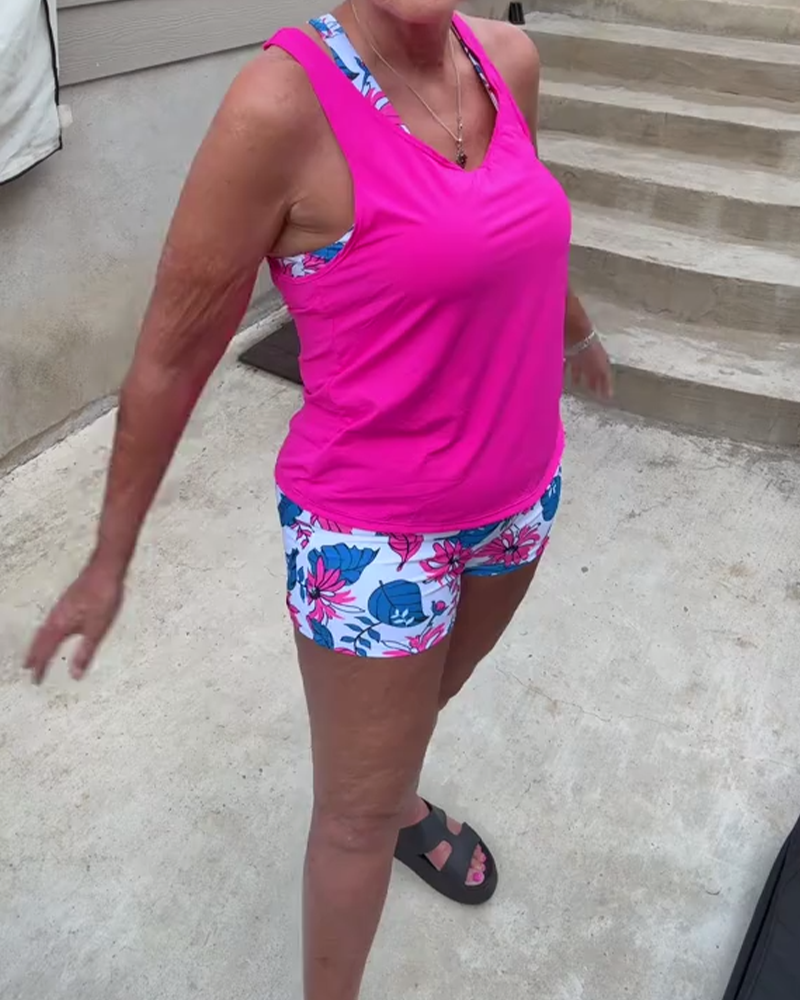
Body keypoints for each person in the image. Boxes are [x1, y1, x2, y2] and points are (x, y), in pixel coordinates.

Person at [25, 2, 612, 998]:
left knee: (426, 702)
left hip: (519, 498)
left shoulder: (507, 59)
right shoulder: (281, 105)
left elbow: (517, 228)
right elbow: (171, 356)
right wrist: (109, 558)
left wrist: (576, 332)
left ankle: (399, 796)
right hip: (372, 542)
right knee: (350, 819)